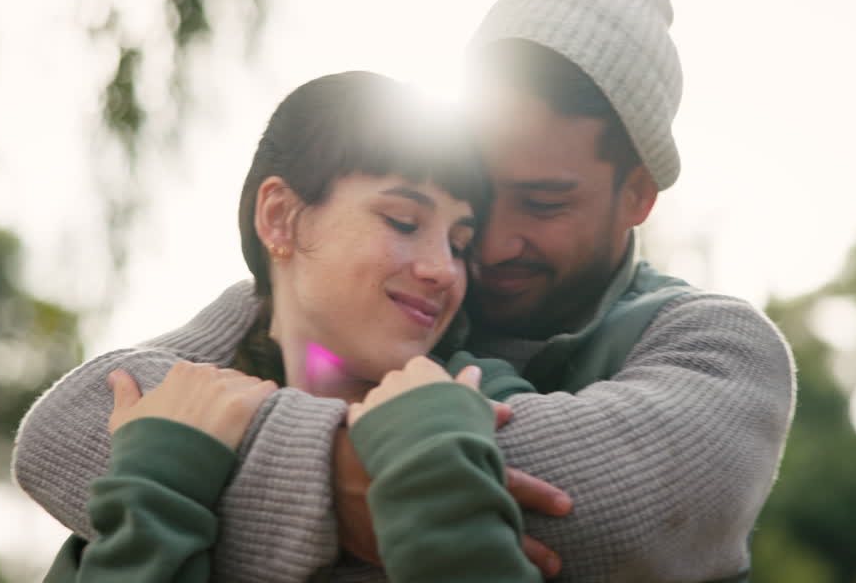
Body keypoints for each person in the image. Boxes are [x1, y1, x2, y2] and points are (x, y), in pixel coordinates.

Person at [14, 0, 796, 582]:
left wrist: (197, 467)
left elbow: (607, 519)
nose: (483, 247)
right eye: (476, 196)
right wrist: (364, 473)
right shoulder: (393, 308)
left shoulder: (716, 344)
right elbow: (64, 434)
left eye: (545, 202)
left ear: (636, 197)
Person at [30, 70, 546, 582]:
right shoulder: (162, 439)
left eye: (459, 244)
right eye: (404, 222)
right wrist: (156, 498)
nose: (442, 269)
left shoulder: (486, 397)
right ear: (279, 216)